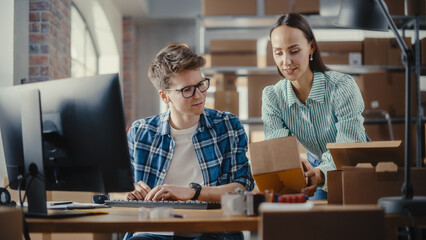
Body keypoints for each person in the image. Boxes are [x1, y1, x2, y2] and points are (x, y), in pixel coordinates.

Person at [124, 44, 254, 240]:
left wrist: (192, 192)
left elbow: (242, 187)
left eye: (201, 84)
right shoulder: (140, 132)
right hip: (153, 231)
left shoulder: (227, 125)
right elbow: (116, 190)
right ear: (164, 95)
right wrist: (129, 191)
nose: (200, 95)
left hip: (211, 232)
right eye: (187, 90)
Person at [262, 13, 367, 200]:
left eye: (294, 51)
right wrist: (294, 166)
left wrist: (319, 172)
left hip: (356, 161)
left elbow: (347, 145)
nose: (285, 62)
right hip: (316, 165)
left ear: (311, 47)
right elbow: (279, 150)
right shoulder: (273, 97)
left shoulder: (341, 86)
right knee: (316, 222)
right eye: (278, 52)